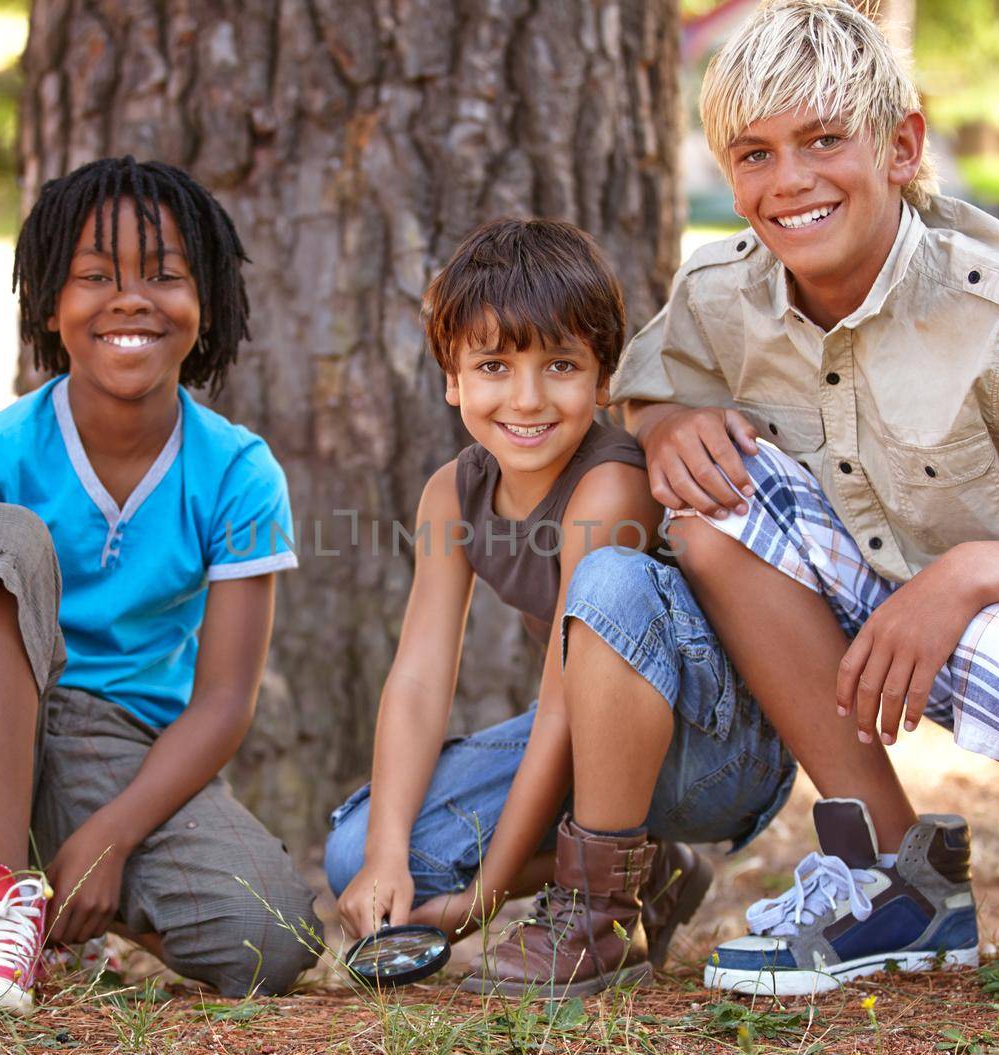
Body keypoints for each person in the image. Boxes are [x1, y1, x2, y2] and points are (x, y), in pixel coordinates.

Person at [606, 0, 999, 996]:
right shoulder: (725, 292)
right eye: (755, 154)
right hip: (914, 619)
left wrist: (972, 576)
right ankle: (891, 870)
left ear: (902, 145)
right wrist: (660, 425)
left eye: (824, 141)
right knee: (710, 498)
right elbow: (649, 380)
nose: (791, 182)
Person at [0, 157, 320, 1015]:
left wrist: (112, 835)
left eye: (165, 276)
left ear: (207, 308)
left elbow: (224, 701)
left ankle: (45, 906)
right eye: (96, 277)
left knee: (273, 941)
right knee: (4, 535)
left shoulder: (238, 471)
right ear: (50, 306)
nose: (131, 300)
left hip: (119, 747)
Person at [323, 218, 796, 998]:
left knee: (605, 582)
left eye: (562, 364)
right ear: (452, 376)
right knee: (359, 854)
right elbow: (417, 678)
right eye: (495, 366)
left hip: (718, 750)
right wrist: (383, 853)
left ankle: (599, 904)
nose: (528, 397)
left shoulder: (611, 483)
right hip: (594, 741)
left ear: (604, 378)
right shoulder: (452, 492)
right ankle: (653, 868)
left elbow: (561, 710)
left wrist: (488, 892)